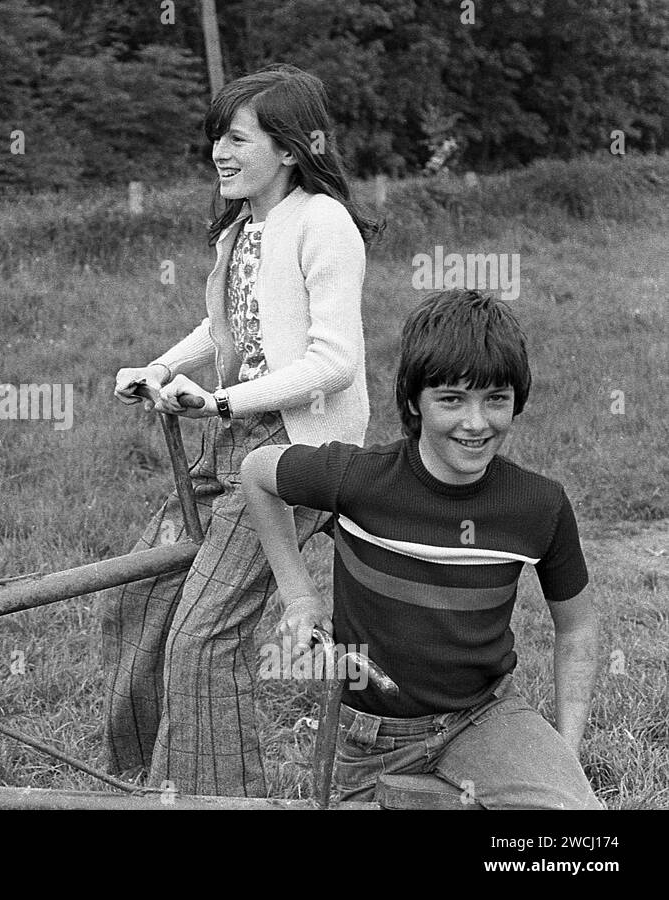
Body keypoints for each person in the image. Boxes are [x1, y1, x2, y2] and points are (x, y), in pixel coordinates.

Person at [102, 64, 380, 796]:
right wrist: (161, 369)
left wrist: (222, 403)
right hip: (228, 443)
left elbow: (335, 361)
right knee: (136, 598)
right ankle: (142, 779)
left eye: (236, 138)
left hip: (297, 456)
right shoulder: (243, 228)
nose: (219, 154)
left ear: (289, 148)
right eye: (214, 140)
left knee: (204, 635)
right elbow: (227, 328)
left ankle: (218, 798)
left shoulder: (322, 223)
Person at [240, 289, 602, 809]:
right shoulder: (361, 480)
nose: (476, 422)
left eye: (495, 398)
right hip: (375, 740)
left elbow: (578, 625)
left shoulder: (538, 505)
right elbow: (257, 473)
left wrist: (561, 756)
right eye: (451, 398)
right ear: (414, 400)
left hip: (483, 719)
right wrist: (298, 596)